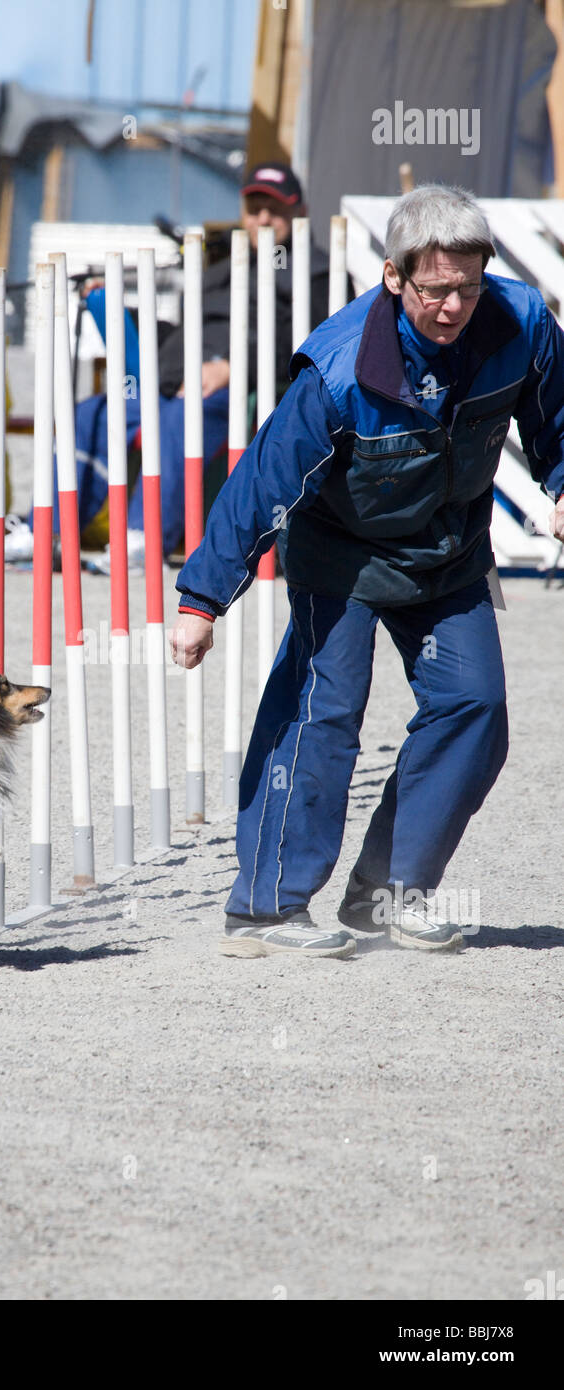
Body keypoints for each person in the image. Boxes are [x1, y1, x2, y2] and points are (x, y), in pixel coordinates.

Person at [170, 183, 564, 960]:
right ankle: (267, 909)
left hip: (448, 554)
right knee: (324, 715)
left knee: (475, 707)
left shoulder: (521, 322)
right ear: (393, 276)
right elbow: (261, 483)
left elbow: (558, 417)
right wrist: (201, 601)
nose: (454, 306)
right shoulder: (339, 370)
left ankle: (387, 898)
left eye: (469, 286)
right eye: (435, 289)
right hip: (341, 558)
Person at [4, 161, 332, 564]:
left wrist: (235, 367)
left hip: (246, 389)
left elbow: (317, 348)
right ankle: (46, 531)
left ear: (300, 211)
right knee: (89, 415)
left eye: (275, 210)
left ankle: (142, 537)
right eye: (254, 209)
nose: (262, 219)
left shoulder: (320, 273)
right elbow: (177, 334)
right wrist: (119, 310)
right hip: (170, 380)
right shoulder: (220, 270)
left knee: (180, 416)